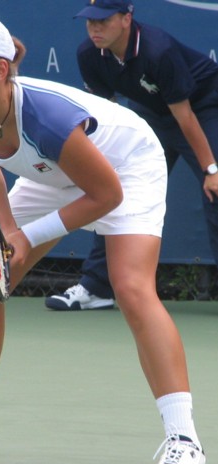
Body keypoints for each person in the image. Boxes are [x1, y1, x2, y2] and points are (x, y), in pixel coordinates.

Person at [0, 12, 206, 464]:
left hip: (125, 168)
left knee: (131, 288)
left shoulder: (45, 115)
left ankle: (186, 443)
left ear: (0, 70)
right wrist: (8, 229)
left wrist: (27, 238)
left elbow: (106, 196)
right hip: (52, 171)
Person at [46, 0, 218, 312]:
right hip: (150, 113)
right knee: (115, 190)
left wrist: (211, 169)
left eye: (104, 21)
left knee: (216, 191)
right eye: (90, 22)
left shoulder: (158, 51)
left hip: (202, 108)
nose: (95, 29)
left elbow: (185, 119)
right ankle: (97, 287)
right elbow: (104, 114)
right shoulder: (89, 54)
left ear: (127, 18)